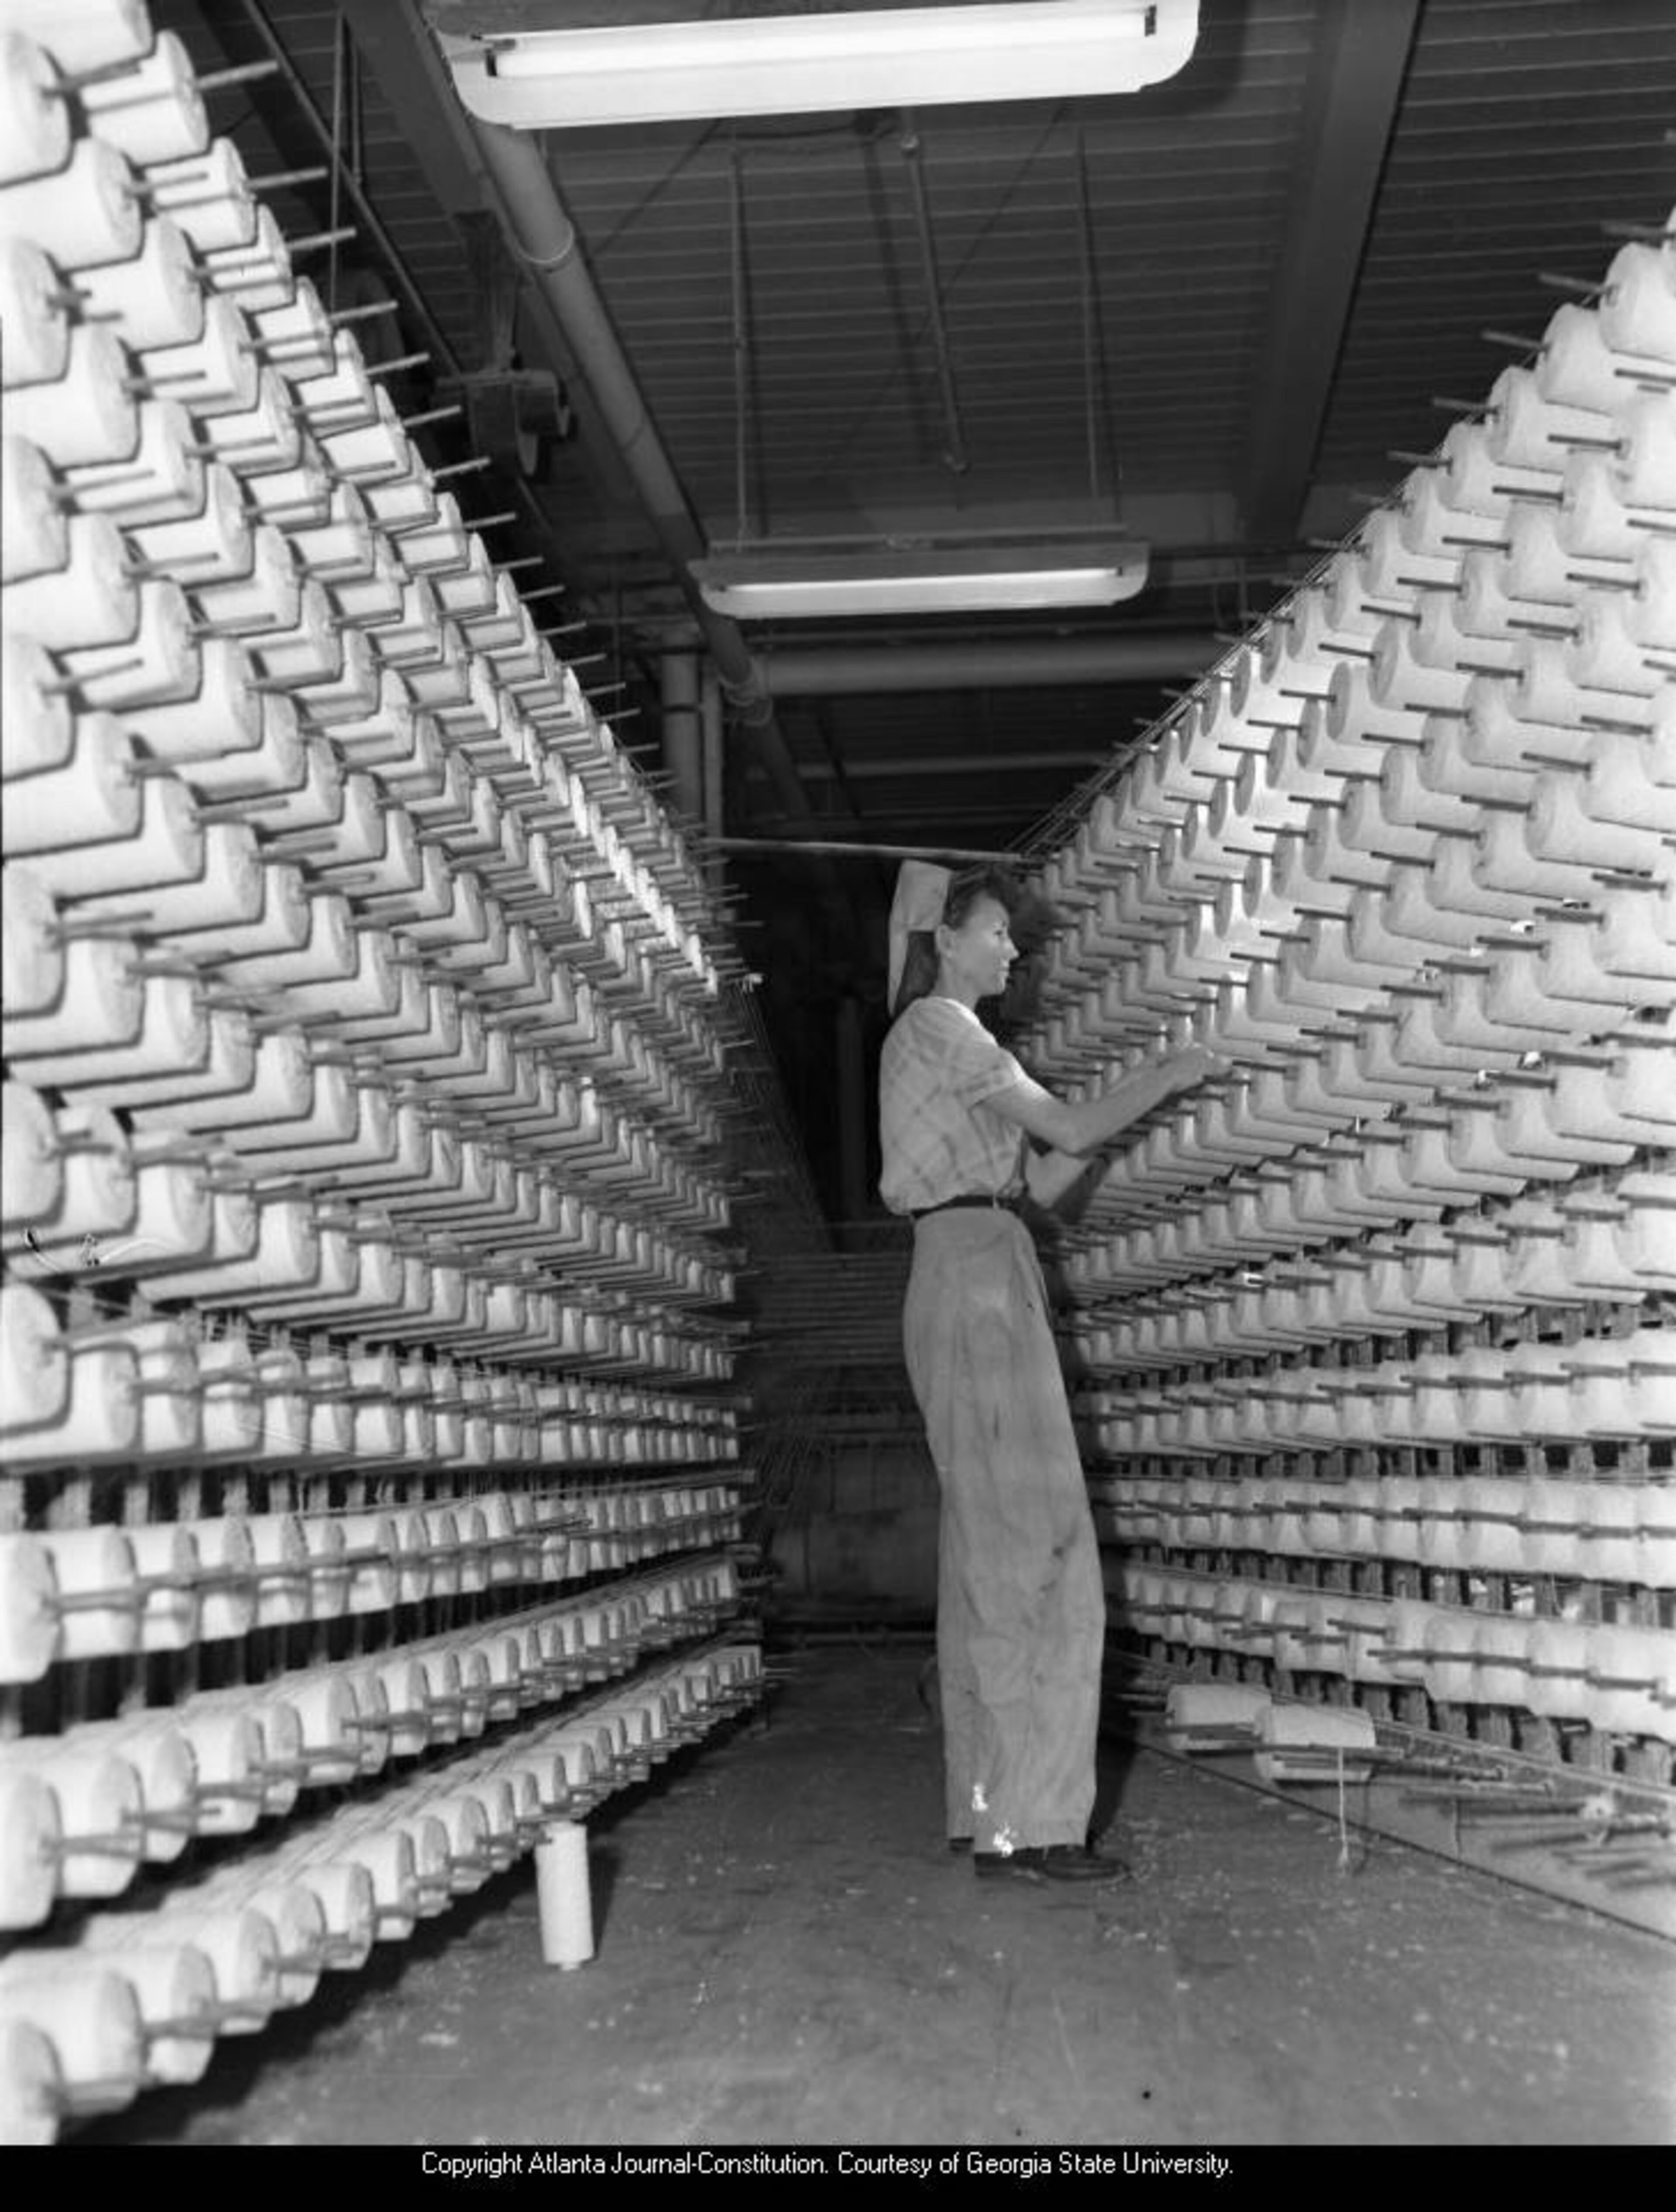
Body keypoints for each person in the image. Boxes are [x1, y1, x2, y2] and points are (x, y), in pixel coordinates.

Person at [879, 860, 1227, 1886]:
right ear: (947, 938)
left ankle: (986, 1811)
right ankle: (1035, 1828)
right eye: (997, 932)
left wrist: (1123, 1114)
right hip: (979, 1282)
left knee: (988, 1553)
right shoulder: (946, 1028)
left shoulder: (943, 1047)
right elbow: (1065, 1131)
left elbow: (1042, 1177)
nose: (1012, 949)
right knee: (1048, 1549)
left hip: (974, 1261)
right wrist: (1171, 1071)